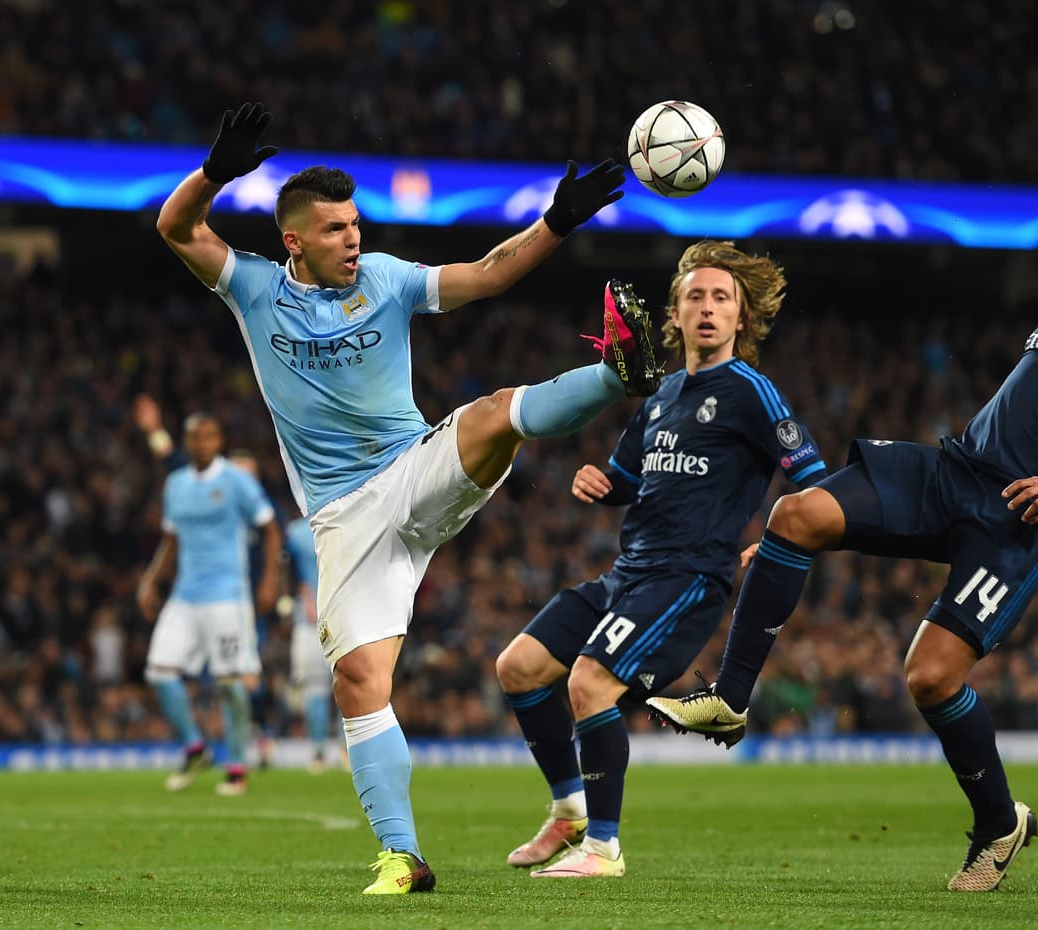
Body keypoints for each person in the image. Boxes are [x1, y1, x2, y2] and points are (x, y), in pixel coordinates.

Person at [647, 173, 1038, 891]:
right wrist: (785, 554)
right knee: (796, 514)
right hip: (955, 471)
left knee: (931, 677)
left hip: (1020, 515)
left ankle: (998, 824)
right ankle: (728, 701)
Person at [155, 102, 658, 894]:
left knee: (495, 412)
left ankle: (616, 375)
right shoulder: (252, 290)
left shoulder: (387, 280)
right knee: (360, 682)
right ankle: (403, 856)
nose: (353, 238)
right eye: (333, 230)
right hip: (343, 517)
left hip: (414, 467)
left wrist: (557, 219)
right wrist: (215, 174)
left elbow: (488, 274)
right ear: (293, 240)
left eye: (355, 224)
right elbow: (178, 230)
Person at [495, 240, 829, 878]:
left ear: (741, 318)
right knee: (518, 667)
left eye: (721, 299)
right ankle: (568, 812)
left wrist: (785, 540)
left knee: (588, 685)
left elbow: (812, 478)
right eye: (695, 297)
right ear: (673, 316)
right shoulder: (662, 394)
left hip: (687, 580)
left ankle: (604, 848)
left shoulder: (753, 392)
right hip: (628, 574)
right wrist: (600, 482)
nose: (708, 308)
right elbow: (628, 479)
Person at [137, 412, 282, 796]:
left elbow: (270, 528)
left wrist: (269, 581)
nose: (202, 444)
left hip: (227, 597)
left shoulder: (237, 482)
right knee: (159, 672)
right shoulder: (176, 485)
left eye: (209, 436)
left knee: (231, 684)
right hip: (185, 595)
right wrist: (151, 580)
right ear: (187, 442)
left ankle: (236, 767)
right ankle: (195, 746)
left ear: (218, 441)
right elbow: (172, 539)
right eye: (195, 438)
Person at [281, 515, 341, 772]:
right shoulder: (294, 532)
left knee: (350, 683)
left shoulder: (343, 517)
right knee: (314, 687)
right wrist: (297, 595)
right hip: (309, 620)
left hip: (345, 614)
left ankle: (347, 749)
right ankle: (318, 751)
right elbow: (284, 567)